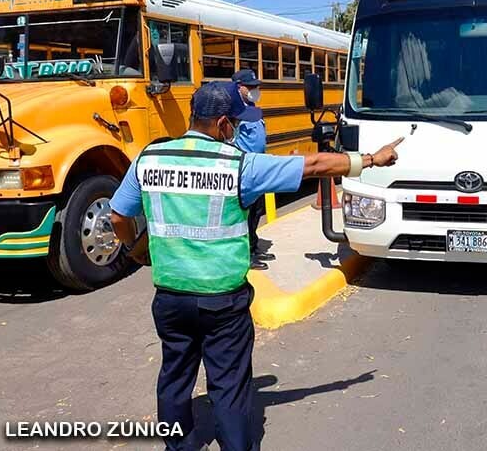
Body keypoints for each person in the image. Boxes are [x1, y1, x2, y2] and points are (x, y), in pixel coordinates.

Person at [109, 82, 403, 451]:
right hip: (222, 302)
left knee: (174, 378)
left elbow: (118, 214)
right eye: (236, 122)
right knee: (229, 386)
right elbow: (313, 164)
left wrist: (137, 252)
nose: (238, 129)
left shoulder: (150, 159)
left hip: (170, 297)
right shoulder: (239, 166)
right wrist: (371, 160)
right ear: (221, 124)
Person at [229, 70, 271, 270]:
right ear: (239, 87)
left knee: (256, 211)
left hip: (258, 166)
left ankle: (253, 246)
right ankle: (245, 255)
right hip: (244, 168)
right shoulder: (234, 111)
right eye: (251, 86)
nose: (255, 90)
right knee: (245, 214)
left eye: (256, 86)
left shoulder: (251, 108)